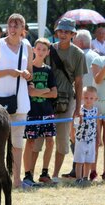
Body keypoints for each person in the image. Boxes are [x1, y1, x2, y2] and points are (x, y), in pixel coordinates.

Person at [0, 13, 33, 189]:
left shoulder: (27, 46)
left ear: (23, 29)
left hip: (20, 101)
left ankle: (16, 180)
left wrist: (27, 74)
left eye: (17, 25)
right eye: (10, 25)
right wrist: (9, 71)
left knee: (17, 143)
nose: (13, 29)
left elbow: (30, 72)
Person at [44, 18, 87, 183]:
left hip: (67, 99)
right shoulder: (49, 49)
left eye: (67, 32)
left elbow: (79, 82)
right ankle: (43, 173)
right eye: (60, 31)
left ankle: (55, 175)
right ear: (56, 33)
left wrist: (78, 108)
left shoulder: (78, 54)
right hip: (47, 98)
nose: (63, 34)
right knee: (43, 137)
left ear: (72, 34)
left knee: (62, 139)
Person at [61, 30, 99, 180]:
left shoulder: (77, 55)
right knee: (90, 142)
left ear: (80, 43)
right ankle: (88, 172)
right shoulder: (96, 56)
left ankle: (77, 170)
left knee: (76, 137)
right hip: (94, 101)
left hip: (81, 102)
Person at [22, 38, 57, 186]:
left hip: (47, 112)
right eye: (39, 49)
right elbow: (30, 92)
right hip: (32, 112)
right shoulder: (29, 68)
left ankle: (44, 173)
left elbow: (54, 93)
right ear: (34, 50)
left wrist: (39, 92)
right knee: (30, 142)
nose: (41, 52)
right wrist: (45, 91)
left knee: (50, 141)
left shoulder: (48, 70)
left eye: (44, 49)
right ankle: (28, 174)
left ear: (48, 52)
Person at [72, 86, 100, 186]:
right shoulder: (79, 110)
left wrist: (98, 137)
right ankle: (78, 178)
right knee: (79, 161)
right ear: (82, 97)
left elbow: (97, 125)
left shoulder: (96, 111)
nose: (88, 100)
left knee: (88, 160)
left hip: (91, 140)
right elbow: (74, 125)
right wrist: (72, 135)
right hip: (80, 139)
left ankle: (85, 177)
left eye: (91, 98)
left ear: (96, 99)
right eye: (86, 97)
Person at [91, 54, 105, 181]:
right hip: (96, 105)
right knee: (94, 140)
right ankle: (92, 171)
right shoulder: (98, 60)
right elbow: (97, 80)